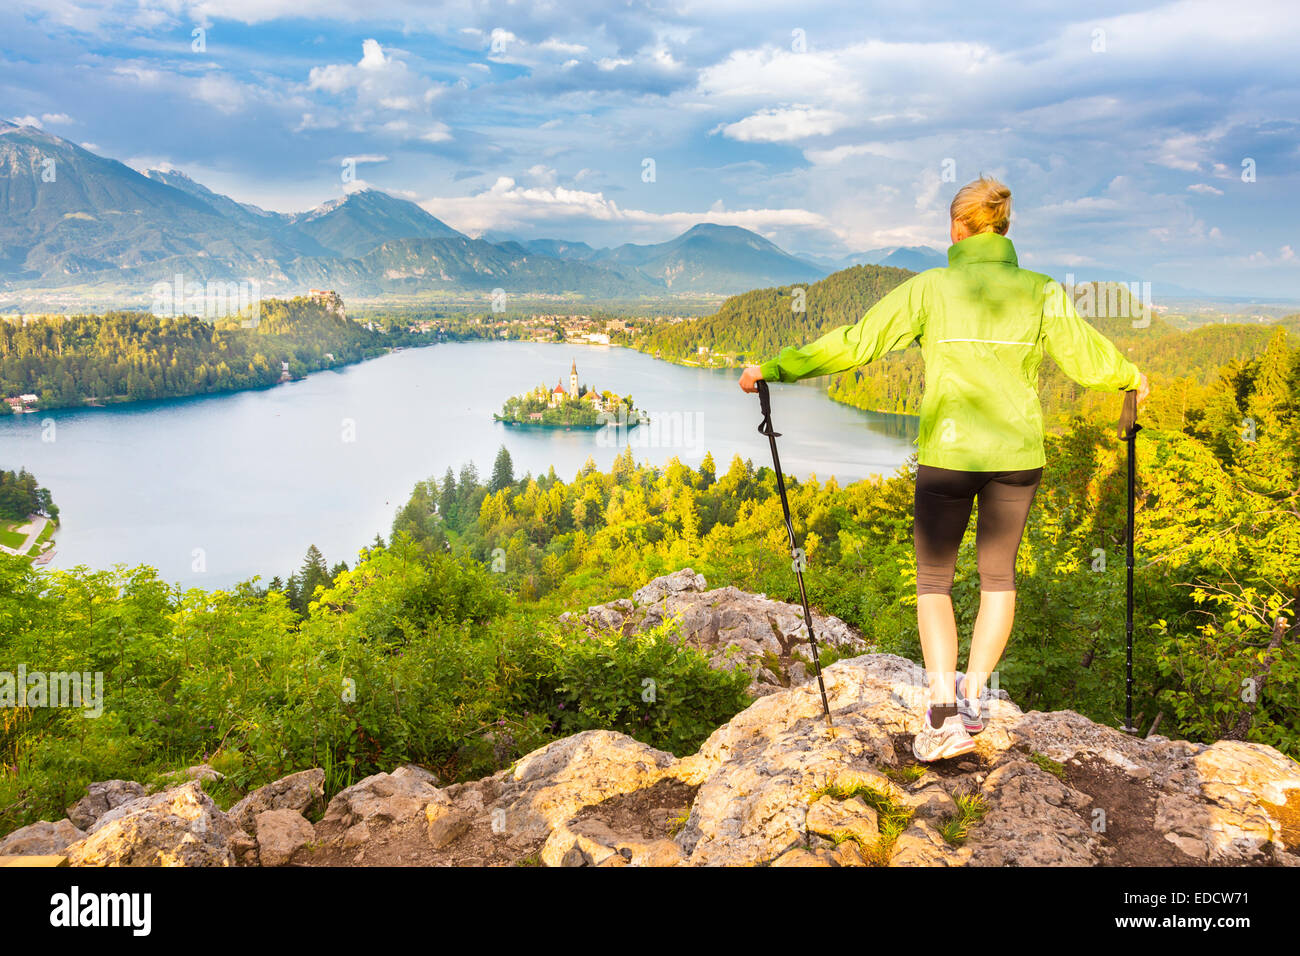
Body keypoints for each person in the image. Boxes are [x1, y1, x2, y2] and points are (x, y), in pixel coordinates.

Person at [739, 176, 1149, 761]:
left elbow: (857, 343)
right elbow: (1088, 359)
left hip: (948, 458)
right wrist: (1131, 376)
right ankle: (975, 695)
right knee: (997, 579)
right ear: (1004, 228)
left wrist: (774, 368)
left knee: (935, 581)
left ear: (957, 229)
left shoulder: (931, 288)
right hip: (1015, 458)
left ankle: (939, 710)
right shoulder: (1040, 291)